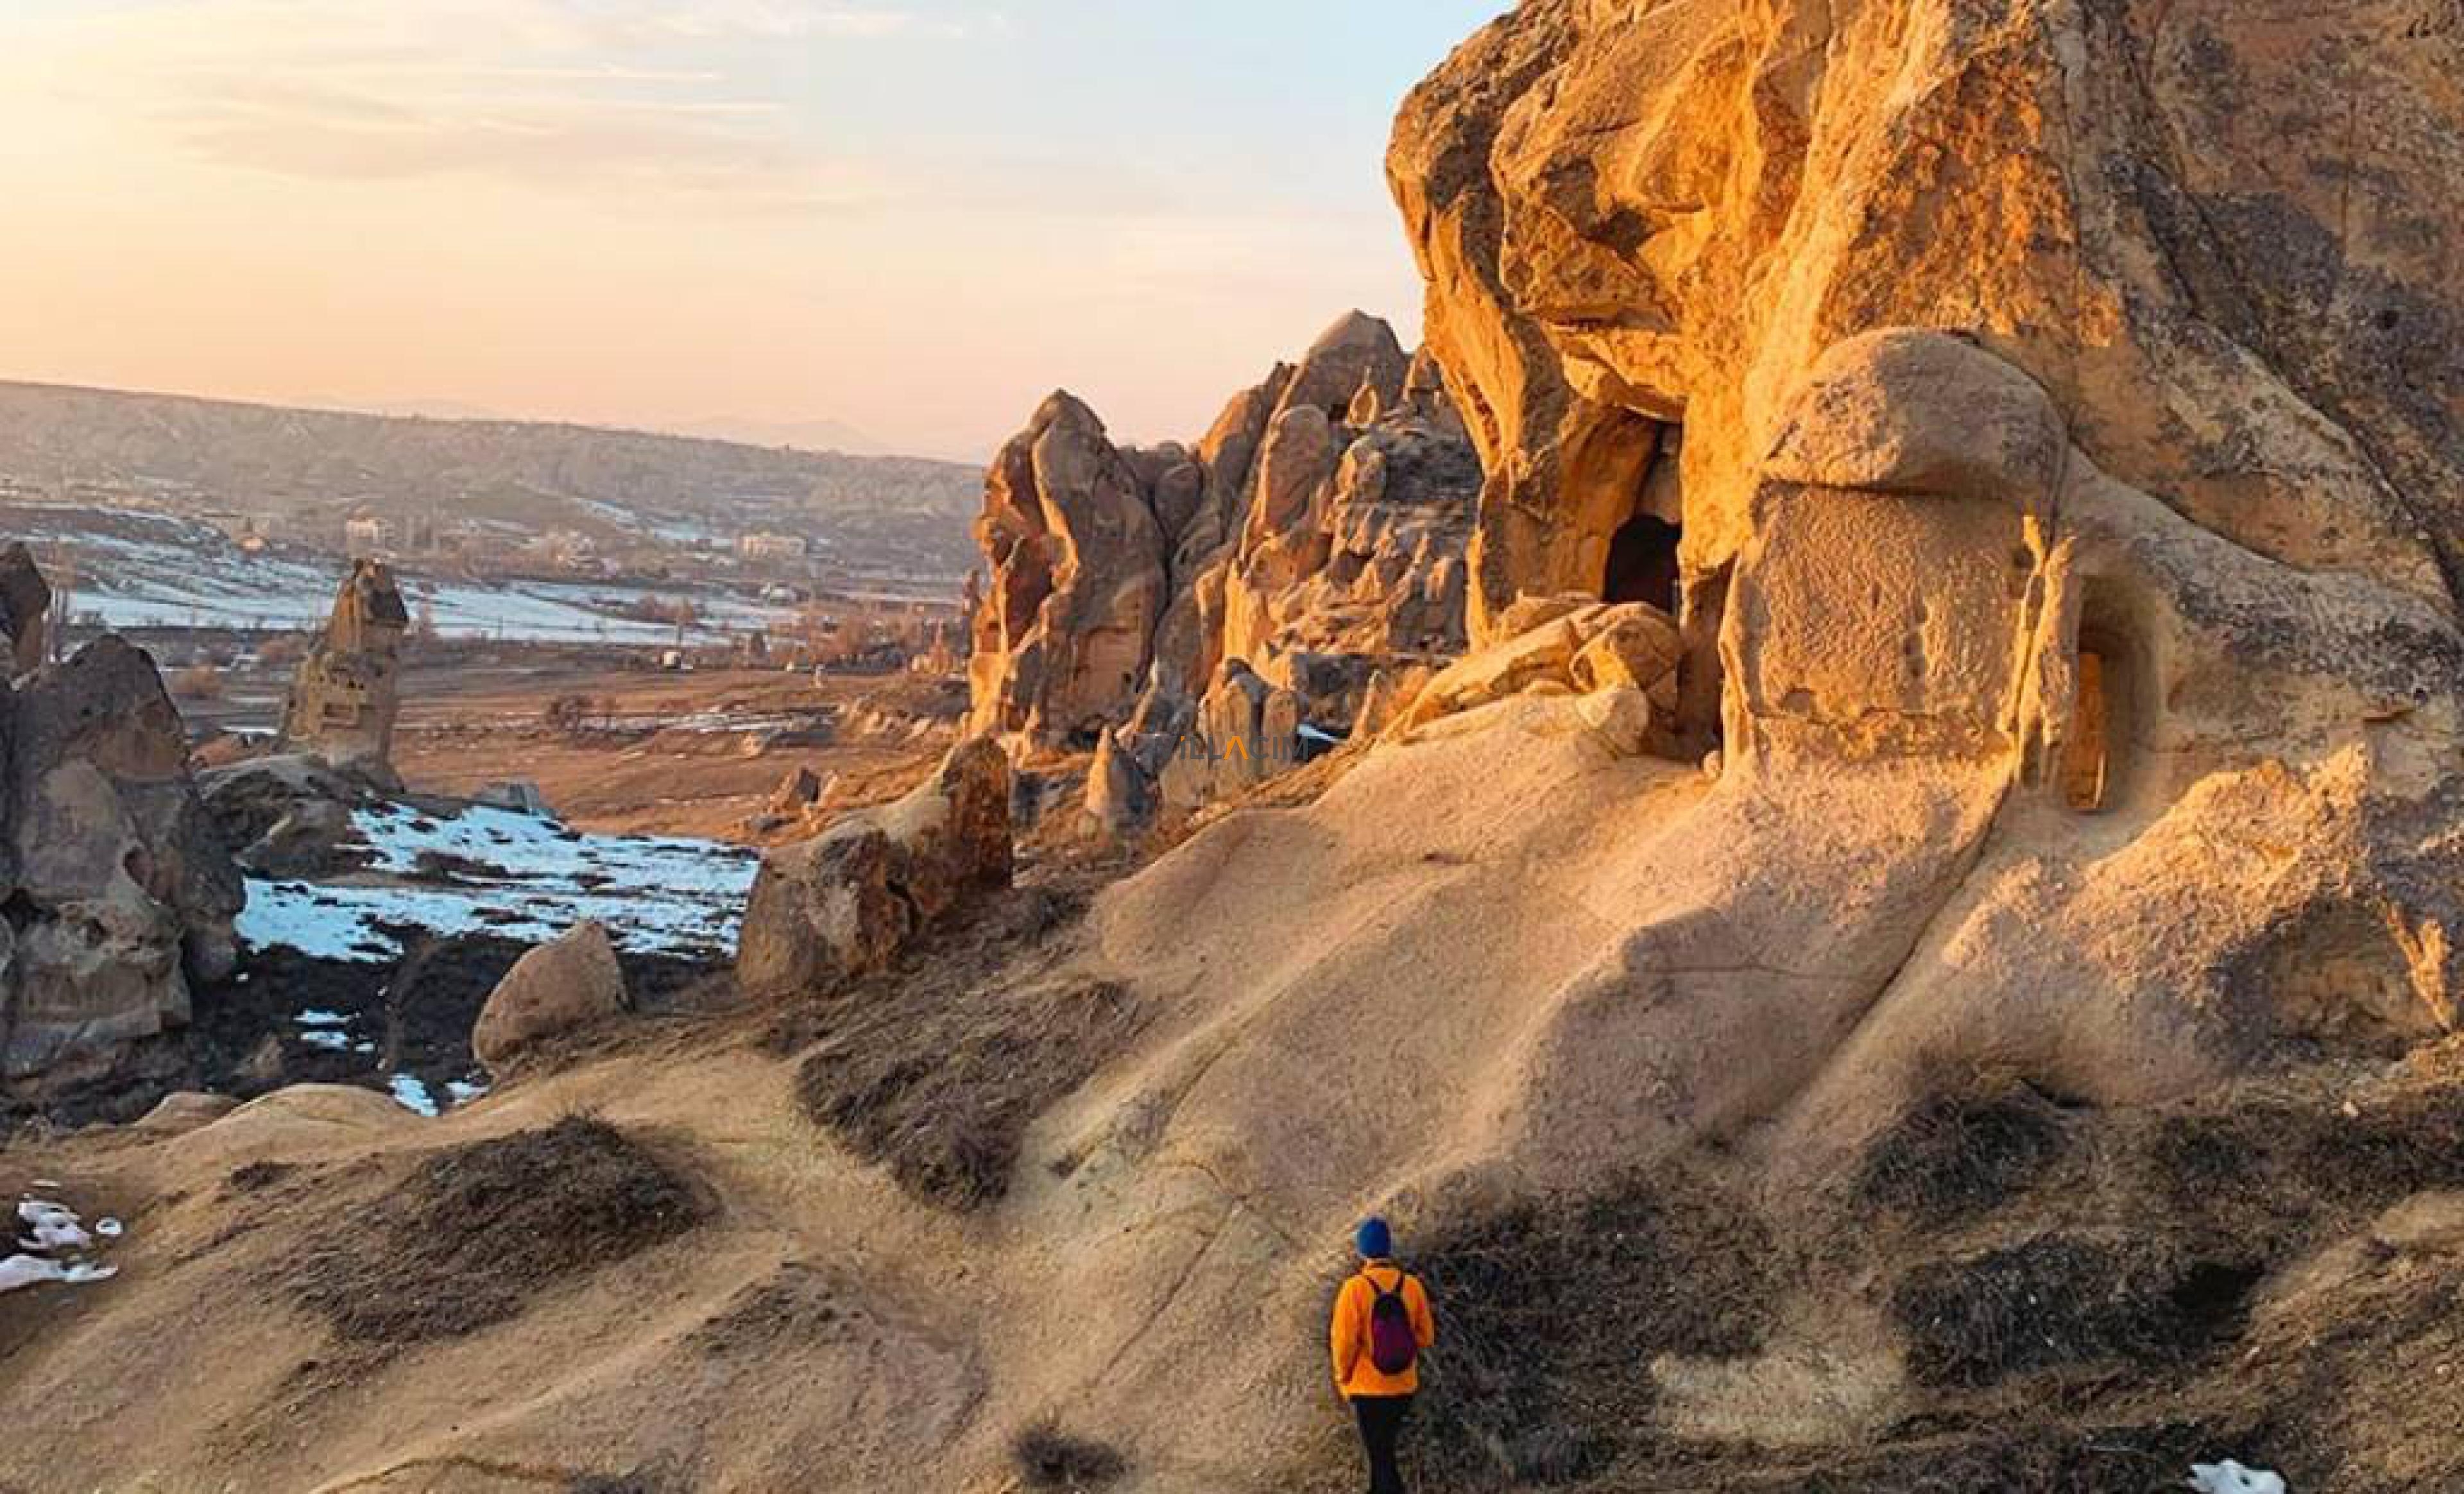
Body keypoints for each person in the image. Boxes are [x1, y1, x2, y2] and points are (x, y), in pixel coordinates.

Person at [1329, 1217, 1435, 1494]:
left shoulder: (1354, 1290)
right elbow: (1426, 1337)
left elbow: (1344, 1343)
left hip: (1368, 1391)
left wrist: (1343, 1377)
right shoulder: (1411, 1285)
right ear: (1389, 1248)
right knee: (1382, 1457)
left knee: (1382, 1460)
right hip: (1404, 1387)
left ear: (1362, 1251)